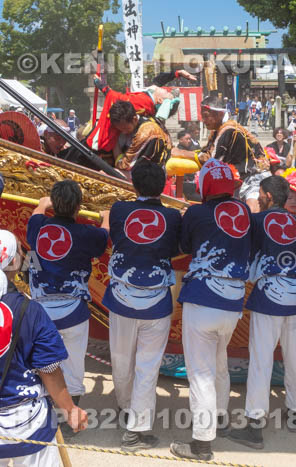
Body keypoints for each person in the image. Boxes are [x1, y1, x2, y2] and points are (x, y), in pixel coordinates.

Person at [0, 230, 88, 466]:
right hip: (27, 423)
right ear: (12, 261)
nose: (24, 254)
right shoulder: (30, 310)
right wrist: (70, 409)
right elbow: (49, 369)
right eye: (21, 250)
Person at [170, 158, 252, 461]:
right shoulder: (243, 210)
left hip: (203, 298)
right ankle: (218, 417)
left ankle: (201, 444)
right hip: (232, 302)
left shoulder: (196, 212)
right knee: (219, 362)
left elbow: (184, 246)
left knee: (201, 373)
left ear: (204, 185)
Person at [103, 160, 183, 450]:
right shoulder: (173, 217)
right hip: (156, 302)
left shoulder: (119, 210)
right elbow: (177, 248)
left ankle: (126, 409)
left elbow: (115, 239)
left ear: (133, 184)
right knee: (148, 367)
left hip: (122, 298)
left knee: (121, 359)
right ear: (162, 186)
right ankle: (136, 430)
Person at [229, 175, 296, 450]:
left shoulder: (255, 221)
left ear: (268, 196)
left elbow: (245, 258)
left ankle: (254, 426)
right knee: (294, 358)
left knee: (262, 360)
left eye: (261, 194)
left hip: (269, 298)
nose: (259, 197)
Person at [28, 181, 109, 412]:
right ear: (79, 207)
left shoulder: (37, 226)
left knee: (42, 361)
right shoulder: (85, 233)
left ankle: (41, 411)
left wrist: (43, 203)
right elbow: (105, 233)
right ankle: (70, 415)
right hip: (73, 311)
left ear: (54, 204)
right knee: (74, 365)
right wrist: (105, 216)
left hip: (41, 311)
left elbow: (36, 212)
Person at [189, 95, 270, 212]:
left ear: (219, 114)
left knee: (252, 212)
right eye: (203, 116)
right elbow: (205, 151)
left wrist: (183, 154)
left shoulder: (228, 130)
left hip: (254, 176)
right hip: (238, 177)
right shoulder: (217, 131)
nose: (204, 120)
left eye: (206, 116)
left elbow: (211, 160)